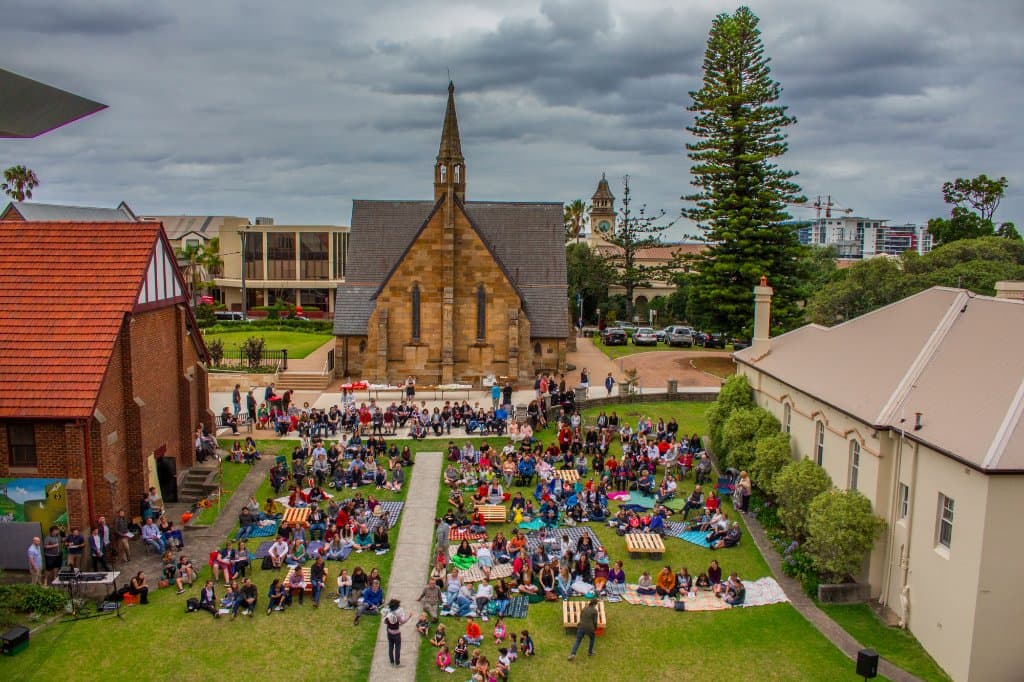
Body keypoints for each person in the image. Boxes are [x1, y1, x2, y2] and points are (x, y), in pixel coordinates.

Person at [383, 597, 413, 667]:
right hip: (396, 634)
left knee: (390, 647)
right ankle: (397, 663)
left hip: (389, 632)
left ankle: (391, 662)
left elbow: (385, 621)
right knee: (397, 648)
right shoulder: (397, 615)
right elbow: (402, 622)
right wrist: (409, 617)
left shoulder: (388, 613)